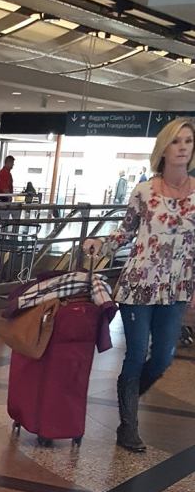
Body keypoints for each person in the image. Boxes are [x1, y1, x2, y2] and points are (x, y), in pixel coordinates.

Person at [84, 117, 195, 453]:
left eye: (188, 141)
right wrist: (101, 244)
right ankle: (128, 425)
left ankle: (128, 396)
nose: (182, 148)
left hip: (176, 288)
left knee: (163, 356)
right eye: (176, 141)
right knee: (135, 354)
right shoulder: (144, 191)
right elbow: (126, 231)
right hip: (139, 284)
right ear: (163, 149)